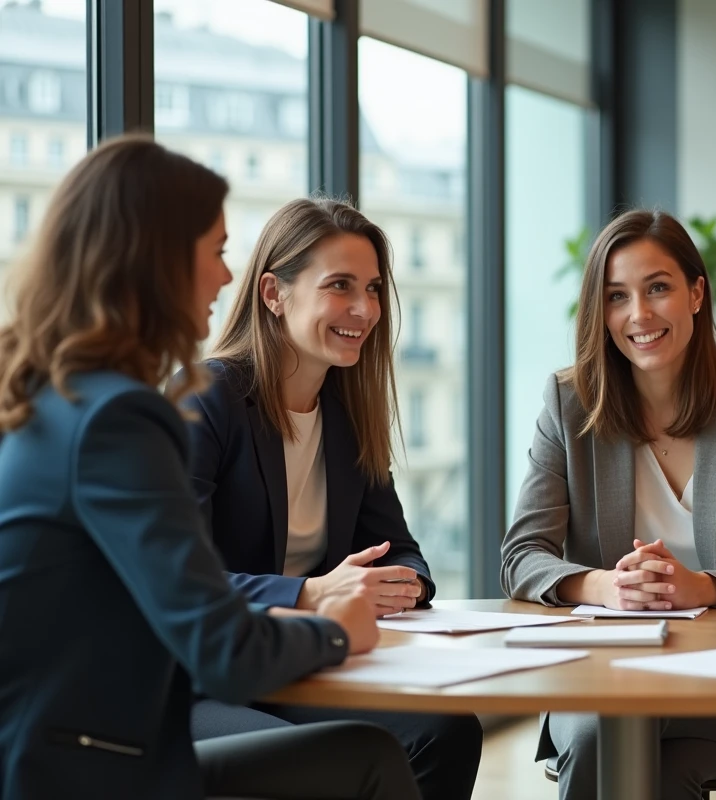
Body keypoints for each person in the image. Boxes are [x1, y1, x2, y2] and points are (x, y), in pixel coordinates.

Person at [0, 134, 419, 799]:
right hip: (83, 767)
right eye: (217, 252)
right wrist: (333, 627)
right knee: (369, 758)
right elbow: (219, 645)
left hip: (76, 742)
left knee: (387, 749)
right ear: (157, 261)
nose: (227, 279)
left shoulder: (62, 399)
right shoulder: (120, 419)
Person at [501, 209, 716, 800]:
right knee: (610, 744)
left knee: (642, 762)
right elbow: (522, 554)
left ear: (696, 293)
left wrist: (702, 587)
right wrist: (605, 587)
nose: (639, 314)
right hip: (604, 675)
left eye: (657, 288)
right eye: (617, 296)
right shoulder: (569, 403)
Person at [182, 196, 482, 800]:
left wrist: (400, 586)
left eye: (372, 289)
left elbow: (399, 548)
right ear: (274, 293)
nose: (365, 309)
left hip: (298, 664)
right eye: (339, 285)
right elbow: (180, 580)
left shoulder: (346, 416)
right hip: (199, 676)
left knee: (445, 731)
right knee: (332, 760)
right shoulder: (208, 400)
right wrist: (310, 593)